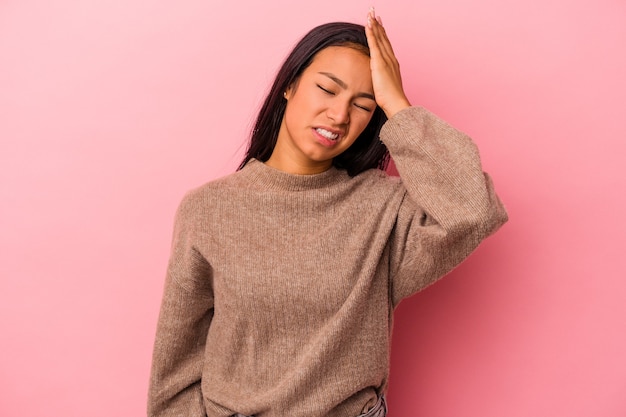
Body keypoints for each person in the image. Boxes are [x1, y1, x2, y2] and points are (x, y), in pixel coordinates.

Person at [148, 8, 508, 417]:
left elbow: (474, 209)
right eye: (327, 89)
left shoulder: (384, 210)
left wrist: (399, 106)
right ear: (290, 85)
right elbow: (174, 373)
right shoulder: (208, 210)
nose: (339, 116)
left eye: (364, 104)